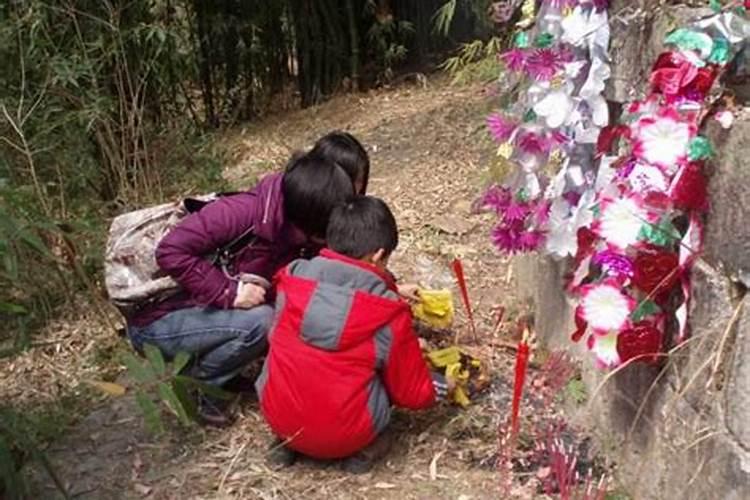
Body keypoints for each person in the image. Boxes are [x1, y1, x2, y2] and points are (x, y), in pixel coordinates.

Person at [125, 152, 356, 426]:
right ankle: (203, 386)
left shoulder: (290, 230)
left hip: (202, 310)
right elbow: (170, 251)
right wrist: (229, 292)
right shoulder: (240, 214)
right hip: (160, 319)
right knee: (263, 321)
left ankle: (224, 370)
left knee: (278, 313)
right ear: (312, 218)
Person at [256, 195, 452, 472]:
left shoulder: (293, 279)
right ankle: (362, 452)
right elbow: (412, 394)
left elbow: (337, 293)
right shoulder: (387, 312)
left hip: (278, 416)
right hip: (345, 434)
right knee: (387, 381)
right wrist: (443, 385)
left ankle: (288, 444)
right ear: (378, 255)